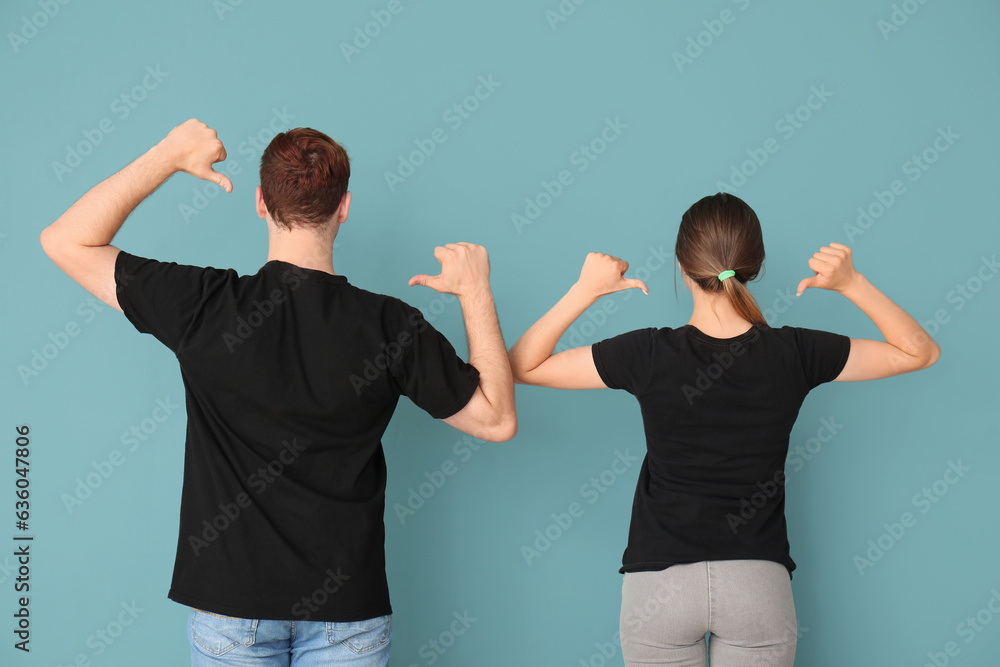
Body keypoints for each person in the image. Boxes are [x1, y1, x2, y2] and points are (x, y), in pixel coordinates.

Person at [40, 118, 516, 666]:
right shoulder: (391, 326)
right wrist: (476, 291)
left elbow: (65, 239)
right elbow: (497, 419)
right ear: (344, 207)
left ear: (262, 202)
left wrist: (169, 155)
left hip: (231, 610)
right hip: (348, 618)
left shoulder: (204, 306)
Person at [507, 192, 939, 666]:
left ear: (681, 264)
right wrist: (852, 283)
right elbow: (919, 352)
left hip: (658, 588)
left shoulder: (647, 355)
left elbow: (522, 366)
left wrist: (585, 290)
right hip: (757, 585)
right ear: (757, 264)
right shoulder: (793, 352)